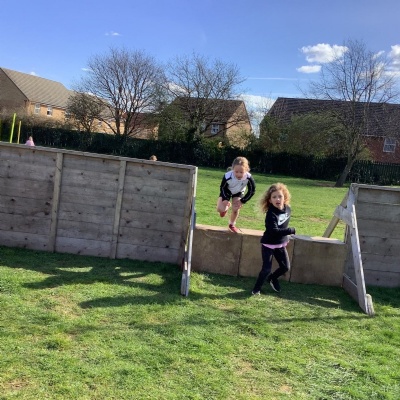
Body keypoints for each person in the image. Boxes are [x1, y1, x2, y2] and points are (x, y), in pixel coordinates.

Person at [252, 183, 295, 294]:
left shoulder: (288, 209)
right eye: (274, 197)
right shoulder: (271, 214)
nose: (277, 199)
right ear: (270, 200)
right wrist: (290, 231)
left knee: (285, 267)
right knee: (266, 269)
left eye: (280, 196)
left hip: (280, 245)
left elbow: (283, 224)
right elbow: (274, 231)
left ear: (285, 197)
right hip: (269, 245)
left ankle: (272, 278)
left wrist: (285, 238)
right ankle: (256, 289)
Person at [216, 156, 256, 233]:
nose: (238, 174)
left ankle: (232, 224)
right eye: (236, 172)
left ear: (246, 170)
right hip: (227, 190)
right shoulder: (227, 176)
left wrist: (242, 201)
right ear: (233, 169)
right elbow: (222, 187)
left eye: (241, 172)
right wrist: (225, 199)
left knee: (236, 208)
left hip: (239, 191)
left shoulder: (248, 177)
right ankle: (226, 208)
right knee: (220, 209)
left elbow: (252, 191)